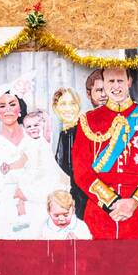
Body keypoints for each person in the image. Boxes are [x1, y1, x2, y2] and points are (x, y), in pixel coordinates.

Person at [71, 66, 138, 239]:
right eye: (111, 81)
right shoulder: (88, 120)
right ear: (104, 83)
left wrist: (134, 202)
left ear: (129, 82)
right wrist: (112, 202)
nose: (116, 86)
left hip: (137, 208)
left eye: (120, 81)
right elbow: (81, 170)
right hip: (100, 208)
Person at [0, 93, 66, 239]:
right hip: (8, 214)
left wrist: (31, 193)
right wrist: (11, 195)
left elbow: (50, 173)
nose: (8, 110)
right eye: (2, 106)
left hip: (40, 208)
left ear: (20, 109)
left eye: (12, 104)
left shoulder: (38, 137)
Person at [51, 86, 88, 218]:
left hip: (87, 201)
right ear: (55, 108)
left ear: (79, 106)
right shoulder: (64, 134)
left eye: (73, 103)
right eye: (63, 104)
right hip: (72, 201)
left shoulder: (86, 132)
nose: (68, 108)